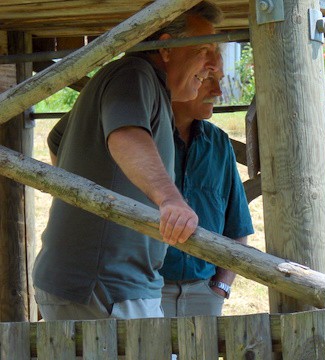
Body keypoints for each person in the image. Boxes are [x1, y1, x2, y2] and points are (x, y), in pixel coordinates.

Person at [36, 2, 222, 321]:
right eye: (205, 49)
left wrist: (82, 202)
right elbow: (126, 136)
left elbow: (58, 138)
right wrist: (170, 201)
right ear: (165, 47)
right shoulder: (134, 74)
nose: (213, 63)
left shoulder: (139, 83)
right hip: (105, 286)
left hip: (103, 284)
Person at [160, 51, 254, 317]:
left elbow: (237, 226)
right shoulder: (142, 139)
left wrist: (221, 286)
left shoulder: (220, 144)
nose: (218, 91)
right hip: (146, 290)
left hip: (205, 292)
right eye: (206, 78)